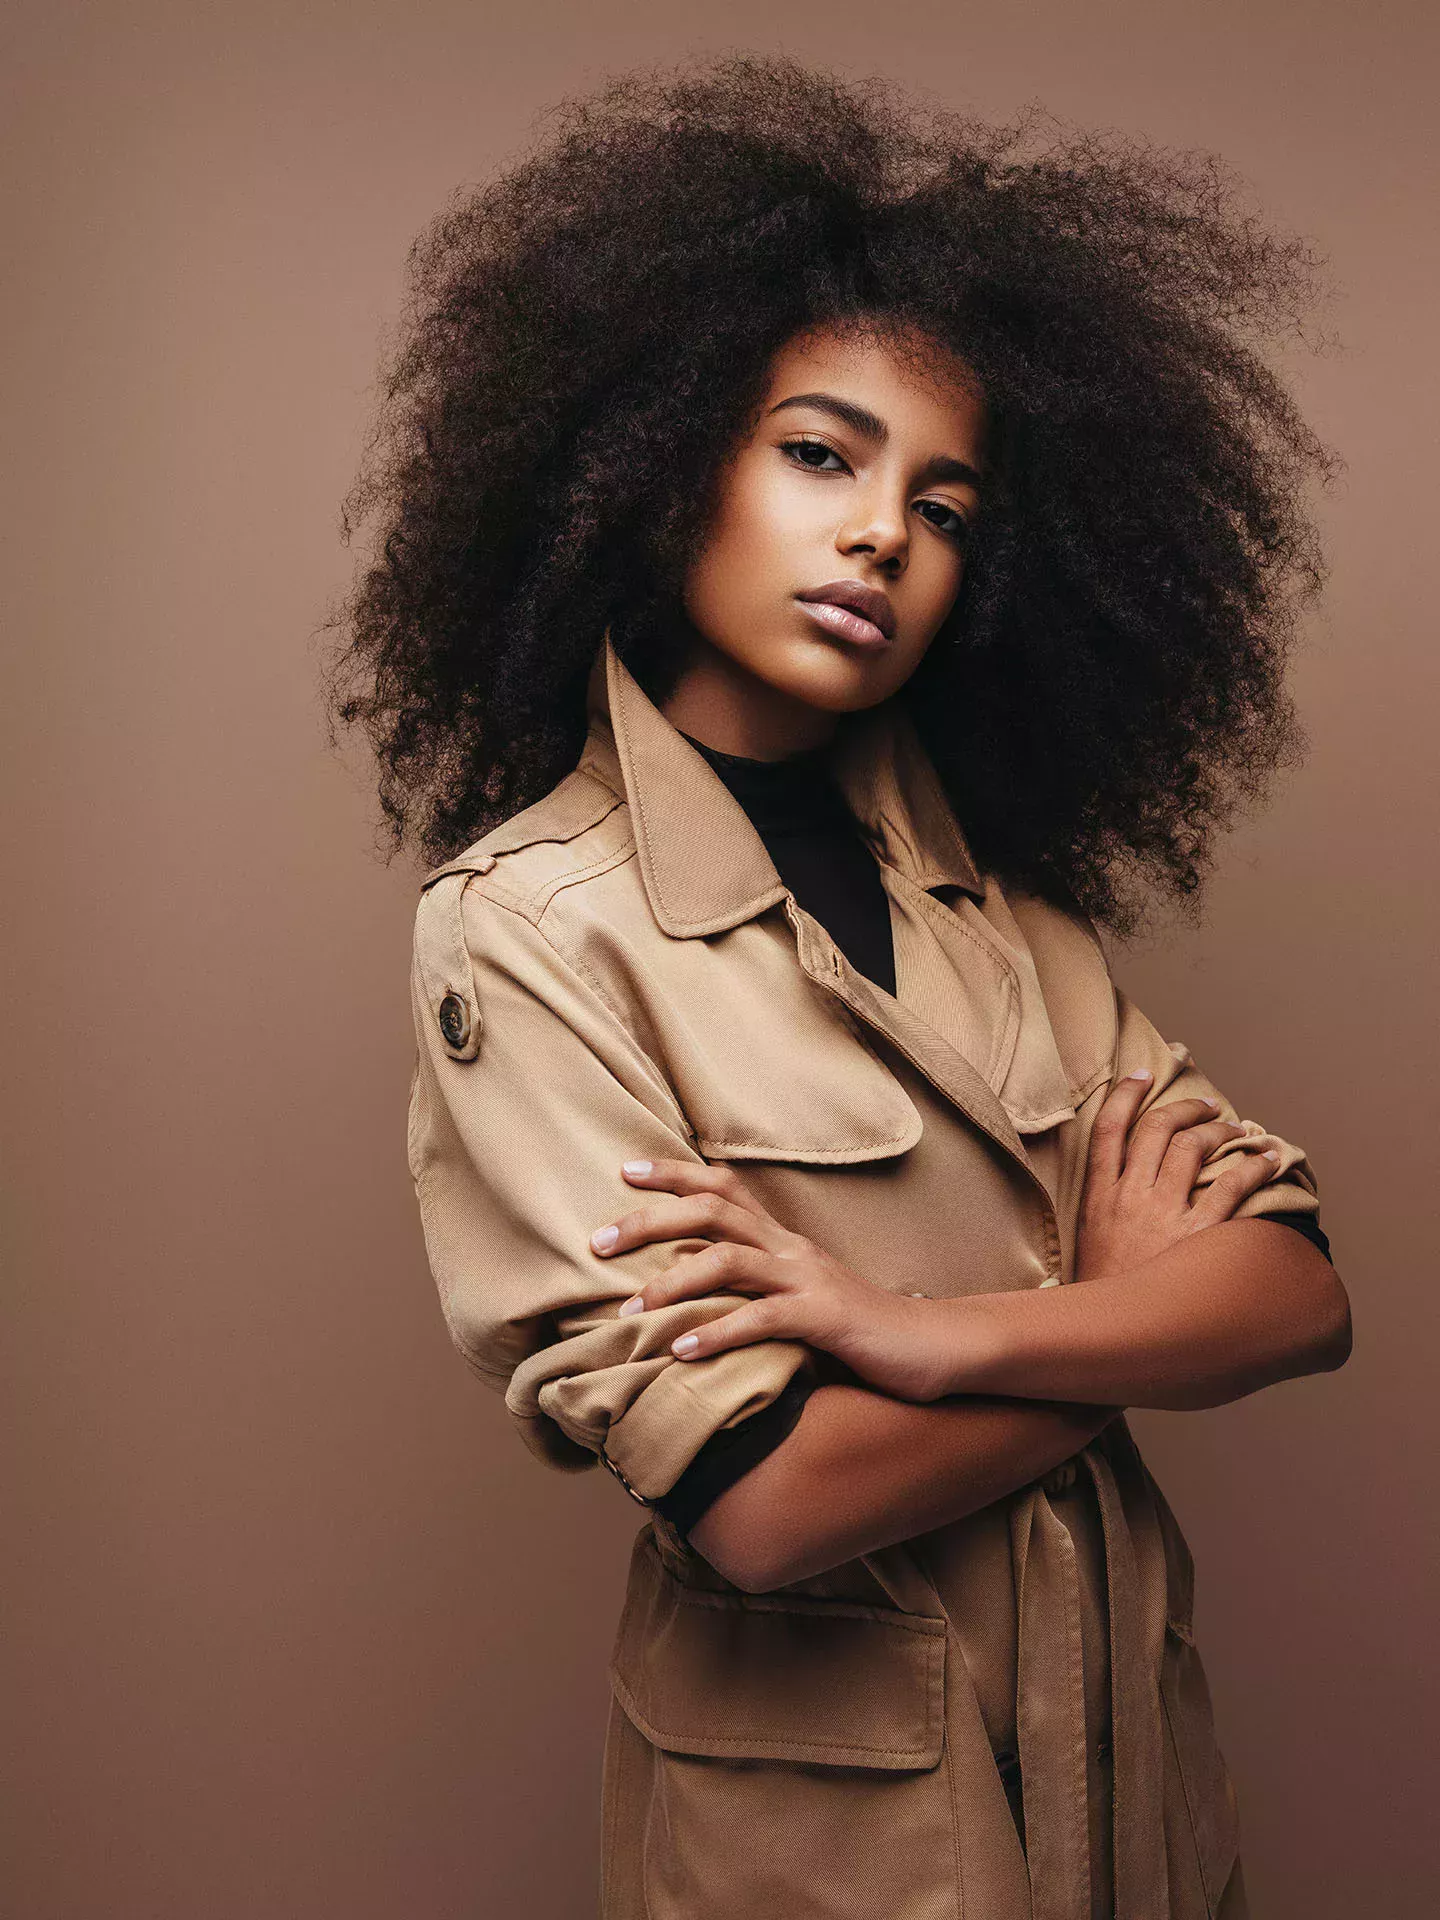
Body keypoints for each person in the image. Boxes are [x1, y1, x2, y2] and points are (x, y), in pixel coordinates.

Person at [325, 53, 1351, 1920]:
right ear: (648, 468)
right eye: (821, 454)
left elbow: (1294, 1295)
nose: (887, 533)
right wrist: (1125, 1319)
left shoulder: (1007, 915)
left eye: (948, 506)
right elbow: (768, 1503)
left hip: (1136, 1815)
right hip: (844, 1859)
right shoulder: (538, 936)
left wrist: (919, 1336)